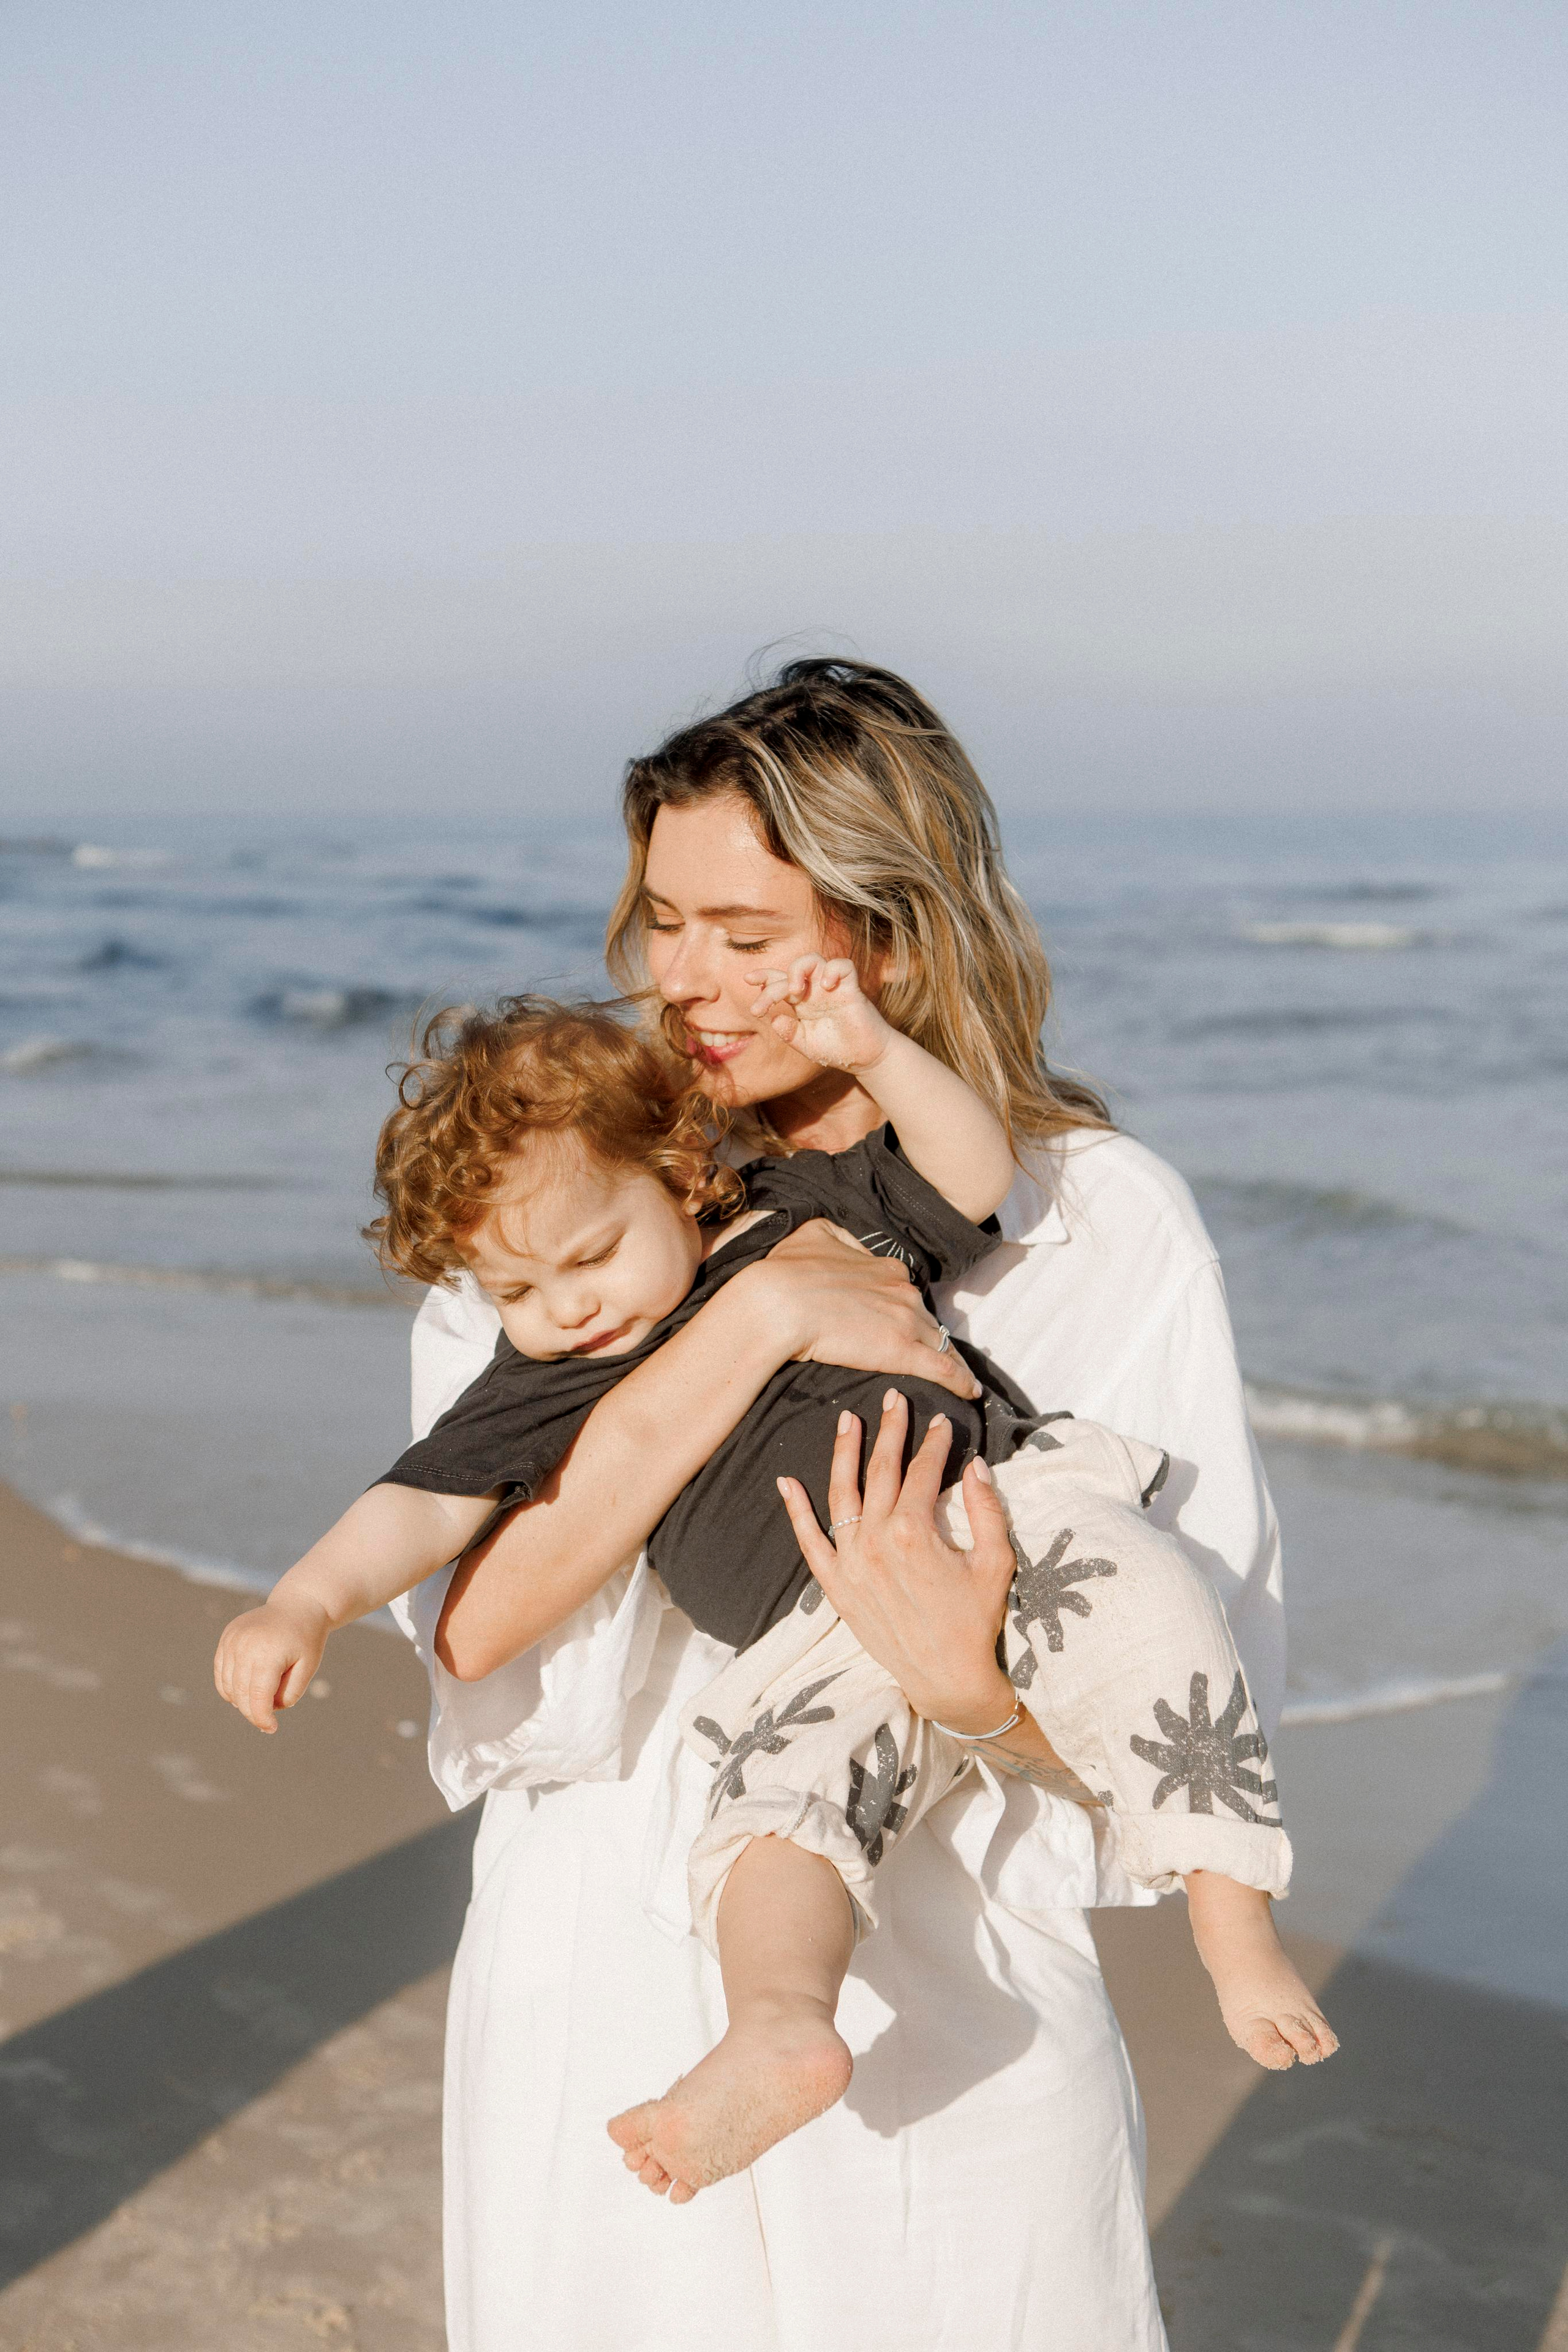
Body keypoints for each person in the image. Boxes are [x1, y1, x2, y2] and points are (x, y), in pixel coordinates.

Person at [353, 660, 1287, 2348]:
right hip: (604, 1957)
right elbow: (477, 1631)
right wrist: (763, 1322)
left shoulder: (1100, 1222)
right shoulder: (556, 1209)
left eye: (741, 929)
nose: (682, 981)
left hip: (951, 1998)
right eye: (660, 920)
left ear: (893, 936)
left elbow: (1199, 1702)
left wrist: (968, 1691)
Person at [213, 962, 1327, 2198]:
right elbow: (420, 1505)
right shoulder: (539, 1381)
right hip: (808, 1632)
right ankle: (780, 2026)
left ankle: (1231, 1921)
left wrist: (875, 1052)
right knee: (767, 1812)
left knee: (1153, 1608)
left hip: (996, 1503)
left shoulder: (796, 1215)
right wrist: (304, 1600)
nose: (565, 1308)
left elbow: (967, 1170)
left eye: (587, 1256)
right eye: (516, 1292)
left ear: (680, 1175)